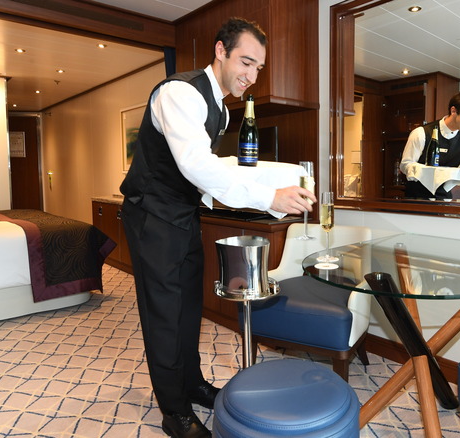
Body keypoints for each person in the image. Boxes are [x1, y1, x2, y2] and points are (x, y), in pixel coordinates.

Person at [119, 17, 315, 438]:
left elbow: (217, 169)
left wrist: (276, 181)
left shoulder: (222, 109)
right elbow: (197, 165)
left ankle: (190, 383)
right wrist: (269, 199)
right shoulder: (179, 92)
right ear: (220, 50)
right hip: (152, 214)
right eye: (246, 61)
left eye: (259, 68)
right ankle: (174, 410)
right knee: (165, 314)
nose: (251, 74)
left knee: (188, 305)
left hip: (184, 213)